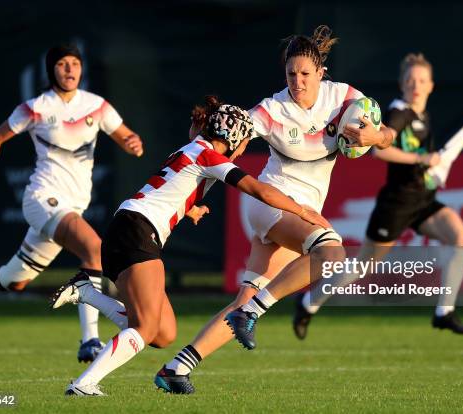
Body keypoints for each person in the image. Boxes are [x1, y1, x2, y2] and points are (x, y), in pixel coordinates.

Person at [153, 25, 395, 394]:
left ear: (321, 73)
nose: (298, 82)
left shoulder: (344, 98)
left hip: (299, 213)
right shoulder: (271, 109)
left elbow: (387, 134)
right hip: (270, 203)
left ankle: (176, 368)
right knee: (331, 253)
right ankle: (251, 313)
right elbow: (222, 144)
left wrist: (373, 136)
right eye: (291, 74)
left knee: (246, 296)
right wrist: (195, 163)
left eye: (305, 74)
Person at [50, 96, 332, 396]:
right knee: (146, 328)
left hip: (128, 229)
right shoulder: (209, 155)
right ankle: (84, 384)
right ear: (234, 139)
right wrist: (301, 211)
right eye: (246, 142)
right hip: (137, 232)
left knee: (163, 333)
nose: (245, 148)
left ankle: (86, 292)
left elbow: (171, 187)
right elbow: (258, 189)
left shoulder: (193, 148)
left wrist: (190, 208)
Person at [0, 44, 144, 362]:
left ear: (81, 70)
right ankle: (90, 341)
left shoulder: (95, 105)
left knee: (14, 280)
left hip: (71, 205)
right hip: (43, 198)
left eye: (75, 64)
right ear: (51, 70)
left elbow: (126, 136)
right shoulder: (38, 106)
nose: (69, 69)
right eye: (62, 64)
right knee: (94, 249)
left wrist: (133, 143)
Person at [293, 53, 463, 339]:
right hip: (397, 204)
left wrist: (430, 172)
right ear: (402, 84)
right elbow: (380, 150)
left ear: (431, 86)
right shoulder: (399, 112)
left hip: (423, 202)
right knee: (361, 267)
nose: (416, 85)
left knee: (462, 240)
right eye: (410, 80)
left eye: (422, 80)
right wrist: (422, 159)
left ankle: (444, 312)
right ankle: (308, 303)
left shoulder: (422, 114)